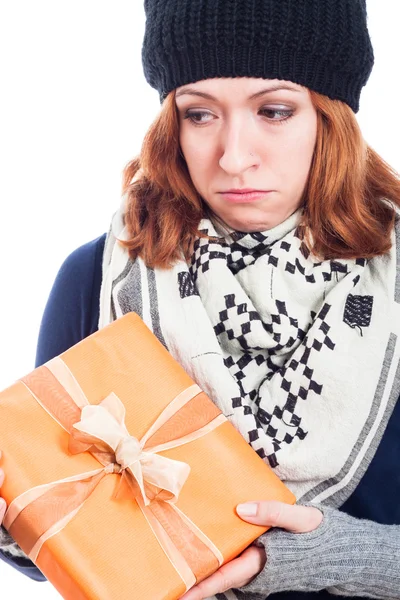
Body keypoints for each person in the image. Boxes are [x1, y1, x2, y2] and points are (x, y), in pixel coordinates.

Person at [1, 0, 400, 598]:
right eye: (200, 114)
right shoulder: (96, 276)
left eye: (274, 110)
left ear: (330, 115)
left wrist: (337, 555)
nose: (234, 157)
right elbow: (54, 540)